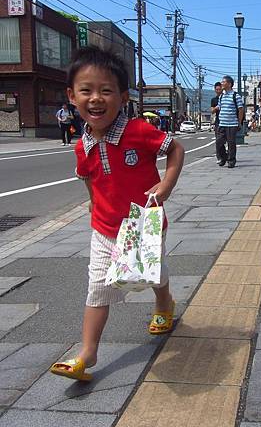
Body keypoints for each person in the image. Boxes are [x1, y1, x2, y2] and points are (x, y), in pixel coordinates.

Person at [50, 47, 184, 382]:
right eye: (86, 90)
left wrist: (166, 184)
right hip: (105, 228)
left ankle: (165, 305)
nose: (95, 98)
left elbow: (175, 149)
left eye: (106, 91)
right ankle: (87, 353)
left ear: (122, 97)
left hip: (143, 223)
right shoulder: (82, 145)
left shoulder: (138, 130)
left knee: (153, 274)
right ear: (72, 96)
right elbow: (88, 178)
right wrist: (93, 205)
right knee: (97, 286)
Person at [216, 75, 244, 168]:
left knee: (231, 143)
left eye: (223, 82)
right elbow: (220, 108)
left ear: (229, 84)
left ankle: (231, 160)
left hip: (232, 124)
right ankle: (223, 158)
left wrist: (239, 122)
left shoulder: (236, 96)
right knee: (219, 142)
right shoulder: (221, 96)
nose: (222, 83)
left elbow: (240, 109)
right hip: (222, 123)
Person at [210, 81, 223, 163]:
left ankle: (228, 155)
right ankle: (219, 157)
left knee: (228, 140)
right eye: (217, 89)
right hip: (218, 121)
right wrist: (217, 107)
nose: (218, 91)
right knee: (218, 140)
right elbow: (212, 111)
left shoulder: (225, 97)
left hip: (227, 120)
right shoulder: (214, 100)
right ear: (215, 90)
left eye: (219, 89)